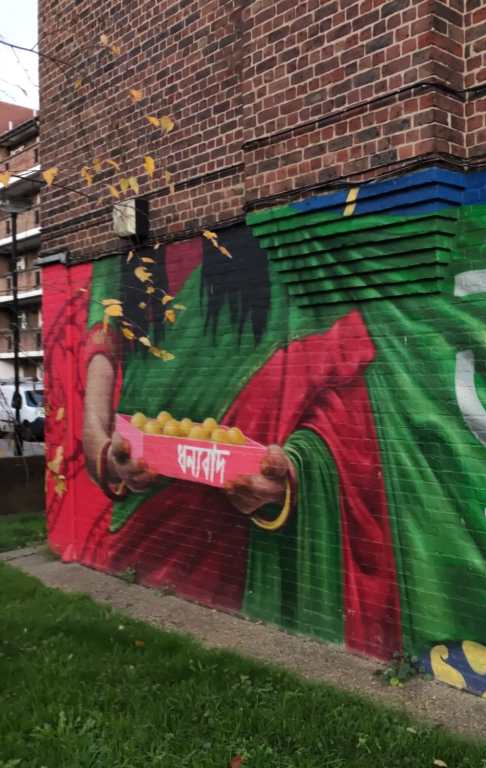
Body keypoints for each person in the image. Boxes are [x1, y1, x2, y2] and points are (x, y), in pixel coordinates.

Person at [78, 226, 400, 658]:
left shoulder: (289, 243)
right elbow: (94, 426)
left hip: (252, 540)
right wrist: (109, 459)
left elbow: (345, 391)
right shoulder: (117, 254)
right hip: (145, 522)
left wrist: (297, 469)